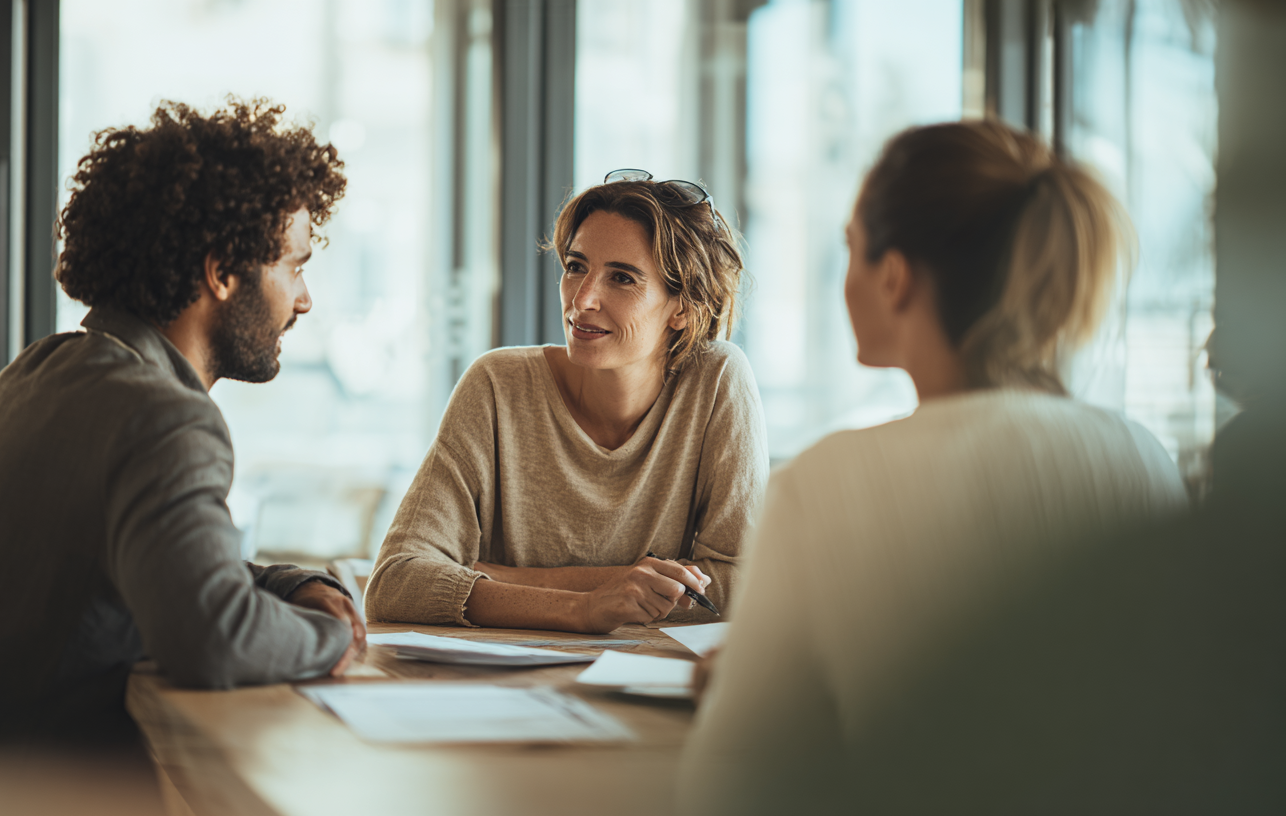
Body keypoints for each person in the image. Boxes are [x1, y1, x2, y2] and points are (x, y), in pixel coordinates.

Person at [679, 120, 1188, 813]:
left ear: (893, 278)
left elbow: (733, 787)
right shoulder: (1144, 460)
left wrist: (751, 693)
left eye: (849, 251)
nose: (844, 278)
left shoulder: (829, 484)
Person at [0, 99, 364, 761]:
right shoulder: (163, 419)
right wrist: (333, 634)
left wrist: (287, 584)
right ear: (223, 271)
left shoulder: (40, 373)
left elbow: (160, 564)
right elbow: (214, 637)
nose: (304, 299)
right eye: (295, 266)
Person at [365, 170, 768, 634]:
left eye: (622, 278)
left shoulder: (717, 382)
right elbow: (395, 583)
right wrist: (585, 606)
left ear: (683, 307)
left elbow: (743, 586)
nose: (582, 299)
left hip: (643, 687)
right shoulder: (497, 386)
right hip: (496, 687)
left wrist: (513, 582)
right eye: (576, 266)